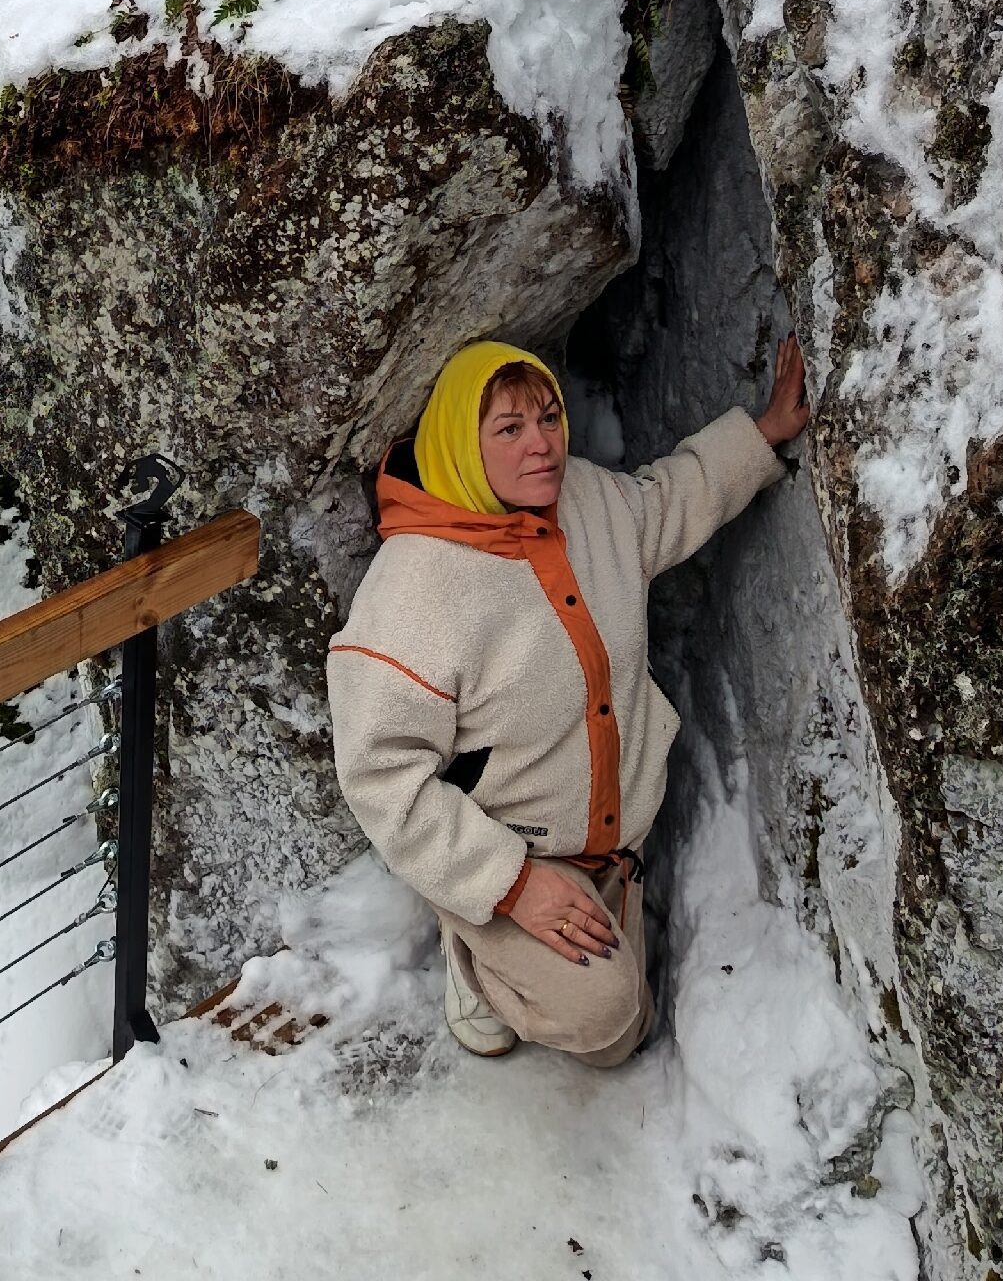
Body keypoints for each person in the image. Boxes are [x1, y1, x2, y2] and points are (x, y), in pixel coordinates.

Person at [327, 334, 811, 1062]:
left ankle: (563, 920)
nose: (542, 446)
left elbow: (664, 502)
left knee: (624, 1033)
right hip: (519, 851)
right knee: (608, 1022)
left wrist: (764, 431)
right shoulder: (410, 595)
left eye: (549, 418)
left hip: (615, 841)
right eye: (510, 429)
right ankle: (469, 944)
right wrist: (514, 887)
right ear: (463, 441)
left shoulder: (583, 497)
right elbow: (380, 780)